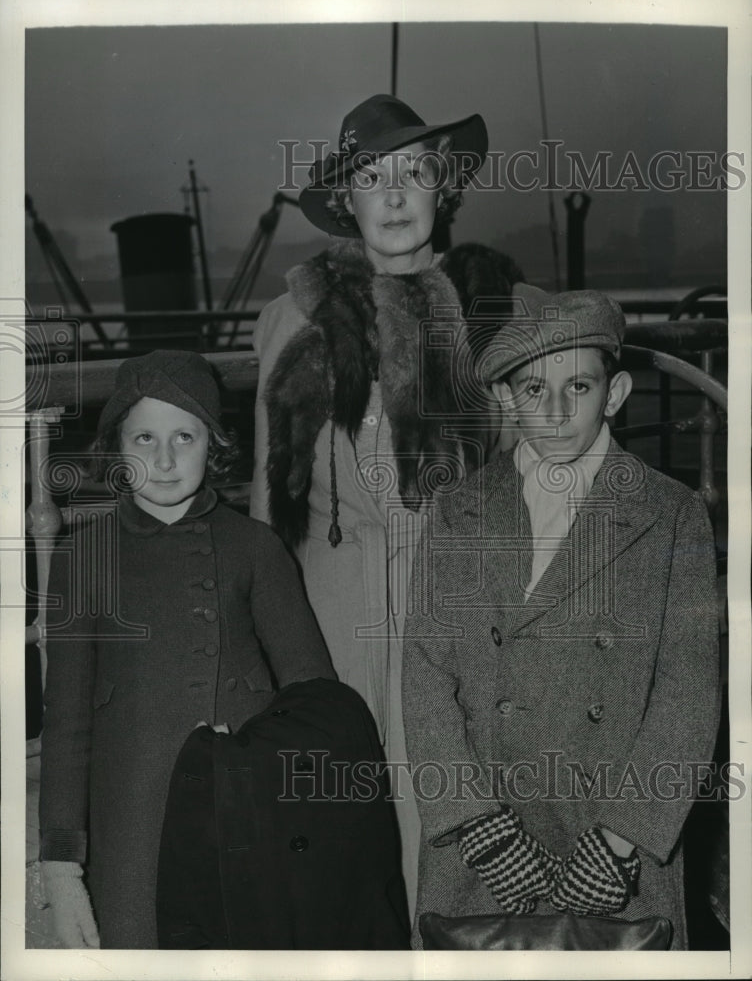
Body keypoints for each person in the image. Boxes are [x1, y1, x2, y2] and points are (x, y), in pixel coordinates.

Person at [249, 93, 523, 917]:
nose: (396, 195)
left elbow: (536, 483)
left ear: (444, 190)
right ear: (348, 202)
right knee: (350, 842)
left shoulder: (496, 312)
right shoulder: (291, 321)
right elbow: (270, 499)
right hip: (333, 626)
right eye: (373, 178)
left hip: (462, 619)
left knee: (463, 839)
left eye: (415, 173)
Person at [402, 284, 721, 949]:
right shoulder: (459, 509)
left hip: (613, 838)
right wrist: (476, 824)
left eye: (577, 388)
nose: (553, 413)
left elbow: (687, 696)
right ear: (504, 399)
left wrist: (625, 836)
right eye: (531, 391)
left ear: (617, 393)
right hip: (483, 838)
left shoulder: (672, 512)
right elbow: (426, 676)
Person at [38, 350, 336, 949]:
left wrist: (255, 753)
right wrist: (62, 869)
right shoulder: (83, 556)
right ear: (117, 447)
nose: (165, 459)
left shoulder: (254, 546)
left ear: (215, 444)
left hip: (243, 813)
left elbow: (315, 702)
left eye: (185, 436)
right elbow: (66, 724)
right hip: (130, 830)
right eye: (145, 437)